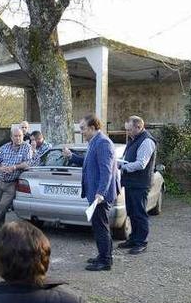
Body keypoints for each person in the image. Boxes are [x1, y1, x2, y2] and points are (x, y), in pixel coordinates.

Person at [62, 115, 119, 271]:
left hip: (100, 196)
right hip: (95, 195)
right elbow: (88, 163)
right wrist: (72, 157)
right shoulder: (94, 142)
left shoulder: (103, 143)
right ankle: (102, 255)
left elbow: (106, 172)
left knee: (101, 227)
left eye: (83, 128)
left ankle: (106, 261)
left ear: (93, 128)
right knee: (98, 226)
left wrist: (100, 193)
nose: (81, 132)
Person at [117, 116, 157, 255]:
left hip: (140, 183)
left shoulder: (146, 141)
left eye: (129, 130)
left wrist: (123, 167)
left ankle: (141, 242)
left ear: (139, 127)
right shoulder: (134, 139)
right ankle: (133, 239)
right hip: (132, 182)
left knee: (139, 213)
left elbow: (141, 163)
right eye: (126, 129)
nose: (127, 132)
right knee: (132, 212)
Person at [0, 125, 32, 233]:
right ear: (11, 137)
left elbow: (27, 163)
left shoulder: (26, 148)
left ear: (23, 136)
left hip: (12, 183)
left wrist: (14, 167)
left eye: (20, 136)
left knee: (3, 205)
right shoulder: (5, 147)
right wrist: (1, 168)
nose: (18, 138)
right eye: (15, 136)